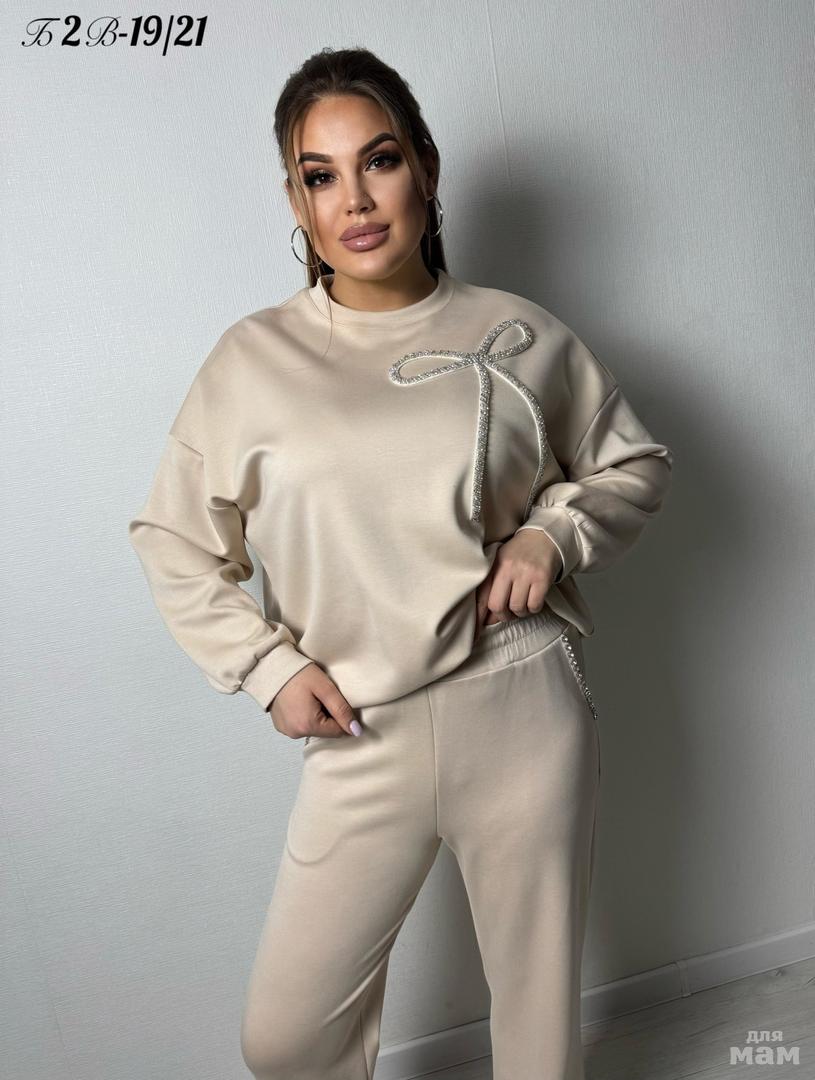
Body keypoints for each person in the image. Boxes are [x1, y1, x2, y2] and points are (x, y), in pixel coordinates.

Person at [128, 46, 674, 1080]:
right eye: (319, 174)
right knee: (287, 1041)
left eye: (377, 160)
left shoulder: (515, 334)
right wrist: (268, 667)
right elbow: (173, 539)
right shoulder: (252, 361)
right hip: (358, 731)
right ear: (295, 201)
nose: (354, 199)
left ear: (424, 165)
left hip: (518, 706)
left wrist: (549, 534)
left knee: (536, 1031)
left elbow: (632, 463)